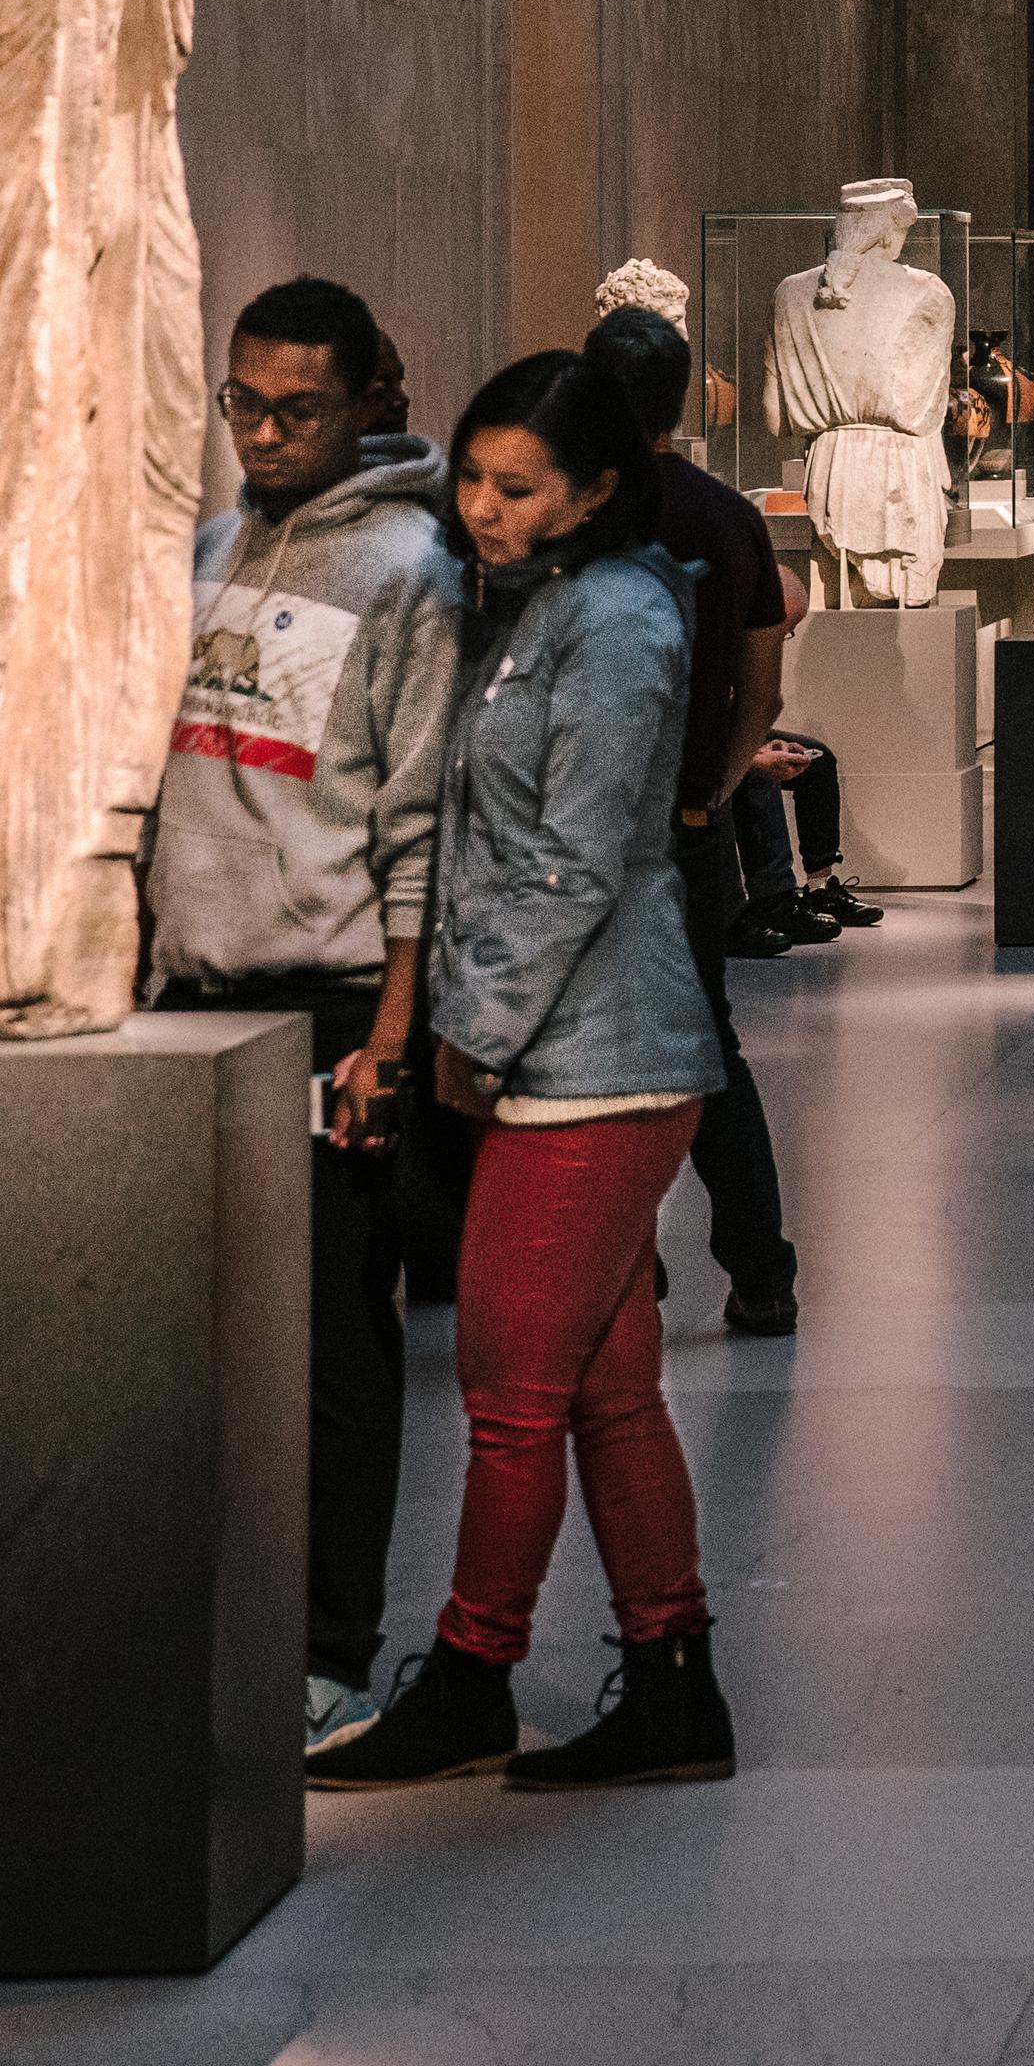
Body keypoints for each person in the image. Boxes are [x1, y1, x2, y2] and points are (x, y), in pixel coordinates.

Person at [315, 352, 735, 1793]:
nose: (482, 509)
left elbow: (572, 863)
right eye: (475, 481)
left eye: (517, 487)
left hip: (595, 1060)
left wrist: (469, 1035)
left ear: (598, 490)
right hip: (578, 1049)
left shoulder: (614, 618)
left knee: (507, 1402)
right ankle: (673, 1682)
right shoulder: (543, 600)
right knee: (608, 1394)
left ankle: (473, 1677)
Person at [144, 275, 459, 1759]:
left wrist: (391, 1041)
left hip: (332, 1004)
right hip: (190, 993)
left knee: (332, 1347)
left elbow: (419, 828)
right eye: (244, 405)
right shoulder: (214, 550)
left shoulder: (412, 572)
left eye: (298, 411)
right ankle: (216, 1631)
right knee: (201, 1345)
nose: (264, 436)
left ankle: (329, 1654)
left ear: (367, 401)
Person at [583, 300, 808, 1334]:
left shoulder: (579, 512)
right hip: (682, 823)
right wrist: (714, 790)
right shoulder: (727, 516)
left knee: (590, 1059)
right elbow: (761, 693)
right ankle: (760, 1271)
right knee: (706, 1048)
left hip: (586, 828)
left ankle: (631, 1264)